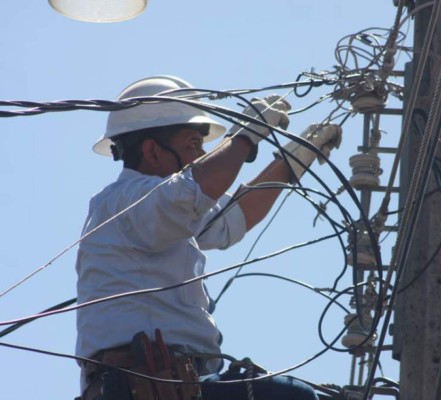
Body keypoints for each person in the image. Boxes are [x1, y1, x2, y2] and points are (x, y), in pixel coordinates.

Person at [74, 75, 342, 400]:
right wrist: (245, 137)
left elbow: (234, 217)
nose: (200, 156)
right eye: (192, 145)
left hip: (174, 382)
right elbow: (196, 190)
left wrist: (292, 163)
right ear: (152, 151)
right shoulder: (125, 201)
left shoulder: (163, 213)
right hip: (140, 384)